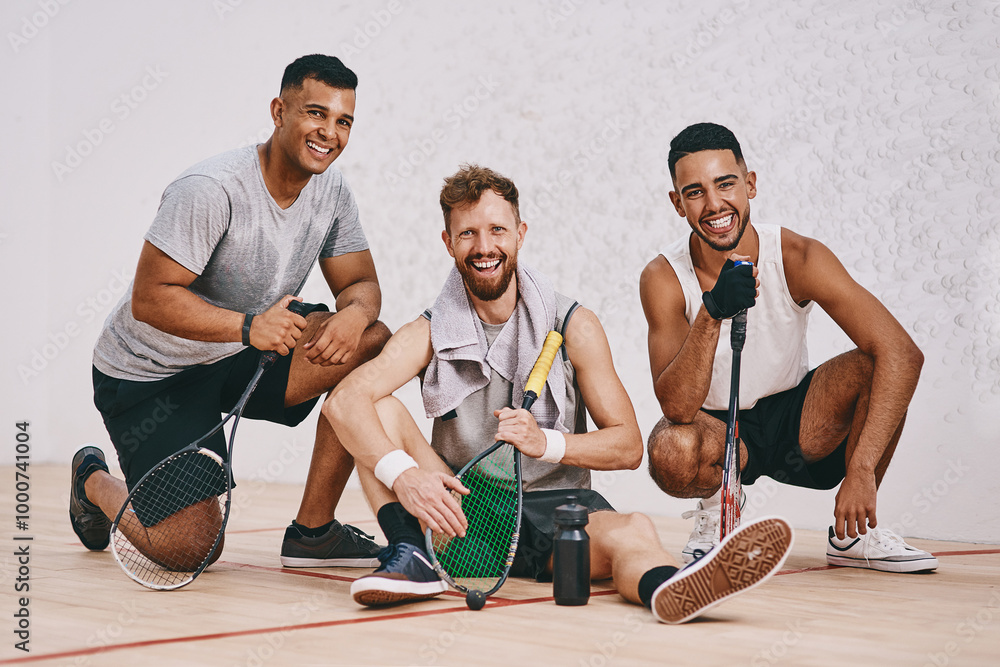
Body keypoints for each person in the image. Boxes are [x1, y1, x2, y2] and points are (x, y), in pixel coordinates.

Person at [322, 164, 793, 623]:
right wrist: (404, 475)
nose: (485, 247)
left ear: (520, 233)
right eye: (467, 234)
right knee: (376, 407)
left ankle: (672, 589)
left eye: (497, 231)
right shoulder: (427, 332)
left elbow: (628, 445)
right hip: (460, 511)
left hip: (559, 513)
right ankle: (411, 554)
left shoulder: (574, 326)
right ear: (448, 243)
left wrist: (545, 442)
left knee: (634, 530)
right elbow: (343, 402)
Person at [69, 54, 390, 570]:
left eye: (343, 120)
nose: (329, 132)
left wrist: (353, 315)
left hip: (241, 351)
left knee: (371, 340)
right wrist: (247, 327)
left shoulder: (332, 191)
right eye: (316, 113)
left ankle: (313, 532)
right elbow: (149, 298)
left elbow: (360, 283)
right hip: (151, 375)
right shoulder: (210, 189)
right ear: (278, 111)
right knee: (190, 550)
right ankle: (92, 481)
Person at [640, 122, 937, 573]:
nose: (715, 204)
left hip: (799, 421)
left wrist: (861, 471)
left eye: (726, 184)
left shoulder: (798, 256)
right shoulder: (662, 277)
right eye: (695, 192)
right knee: (669, 449)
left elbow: (902, 353)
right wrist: (711, 312)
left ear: (750, 184)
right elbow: (677, 406)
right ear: (677, 203)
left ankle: (853, 535)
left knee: (878, 370)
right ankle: (720, 501)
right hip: (719, 434)